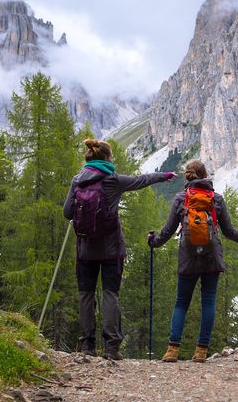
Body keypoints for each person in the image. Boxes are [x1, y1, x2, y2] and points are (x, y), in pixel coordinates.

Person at [63, 139, 174, 360]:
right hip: (111, 250)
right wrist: (165, 176)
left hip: (85, 250)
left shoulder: (78, 180)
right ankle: (112, 347)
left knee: (86, 295)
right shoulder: (112, 180)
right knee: (110, 294)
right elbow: (140, 180)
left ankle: (87, 346)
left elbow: (67, 212)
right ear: (107, 158)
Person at [148, 160, 238, 363]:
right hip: (212, 258)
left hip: (188, 258)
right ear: (205, 176)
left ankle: (172, 350)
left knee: (181, 303)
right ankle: (201, 351)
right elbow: (230, 232)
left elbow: (168, 230)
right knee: (208, 301)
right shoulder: (217, 199)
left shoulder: (181, 199)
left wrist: (154, 242)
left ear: (187, 177)